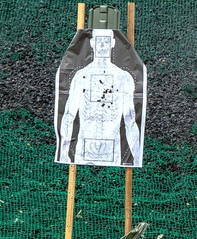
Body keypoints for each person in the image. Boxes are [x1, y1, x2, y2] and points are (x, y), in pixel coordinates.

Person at [57, 29, 142, 167]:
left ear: (112, 43)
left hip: (112, 151)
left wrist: (137, 158)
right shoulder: (81, 76)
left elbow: (130, 120)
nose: (102, 45)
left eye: (106, 41)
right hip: (83, 149)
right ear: (92, 43)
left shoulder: (123, 78)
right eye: (99, 40)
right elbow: (68, 115)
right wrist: (63, 153)